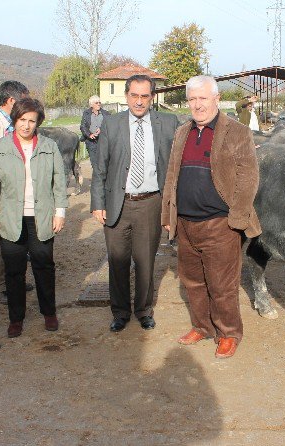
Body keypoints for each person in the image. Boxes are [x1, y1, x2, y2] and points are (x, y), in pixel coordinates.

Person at [161, 75, 261, 359]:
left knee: (222, 285)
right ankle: (202, 326)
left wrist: (237, 220)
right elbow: (172, 176)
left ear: (216, 99)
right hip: (185, 223)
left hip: (220, 224)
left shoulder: (237, 132)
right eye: (192, 99)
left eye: (203, 98)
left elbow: (247, 178)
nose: (197, 105)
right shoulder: (183, 132)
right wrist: (168, 213)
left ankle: (228, 333)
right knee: (192, 281)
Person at [91, 74, 179, 333]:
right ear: (126, 96)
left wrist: (170, 207)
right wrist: (98, 202)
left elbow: (175, 167)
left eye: (144, 96)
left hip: (151, 203)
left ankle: (143, 310)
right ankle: (119, 312)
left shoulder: (169, 123)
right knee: (117, 260)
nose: (139, 102)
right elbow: (100, 168)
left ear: (152, 97)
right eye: (134, 95)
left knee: (145, 261)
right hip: (118, 202)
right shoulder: (112, 124)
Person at [0, 98, 67, 338]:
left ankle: (49, 312)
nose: (27, 126)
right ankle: (16, 318)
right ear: (15, 120)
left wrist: (60, 211)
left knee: (44, 266)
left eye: (32, 121)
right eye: (22, 120)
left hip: (41, 217)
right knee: (14, 270)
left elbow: (58, 180)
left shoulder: (49, 146)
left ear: (38, 122)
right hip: (10, 218)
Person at [0, 81, 32, 304]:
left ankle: (16, 280)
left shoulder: (11, 121)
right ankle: (1, 287)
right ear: (11, 101)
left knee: (20, 239)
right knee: (3, 241)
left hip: (16, 190)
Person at [80, 95, 110, 168]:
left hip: (103, 141)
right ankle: (97, 178)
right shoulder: (86, 113)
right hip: (91, 142)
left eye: (99, 102)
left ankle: (104, 178)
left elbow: (110, 125)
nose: (99, 104)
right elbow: (83, 127)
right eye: (96, 103)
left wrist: (102, 129)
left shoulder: (106, 113)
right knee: (94, 164)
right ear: (91, 104)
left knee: (104, 163)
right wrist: (89, 135)